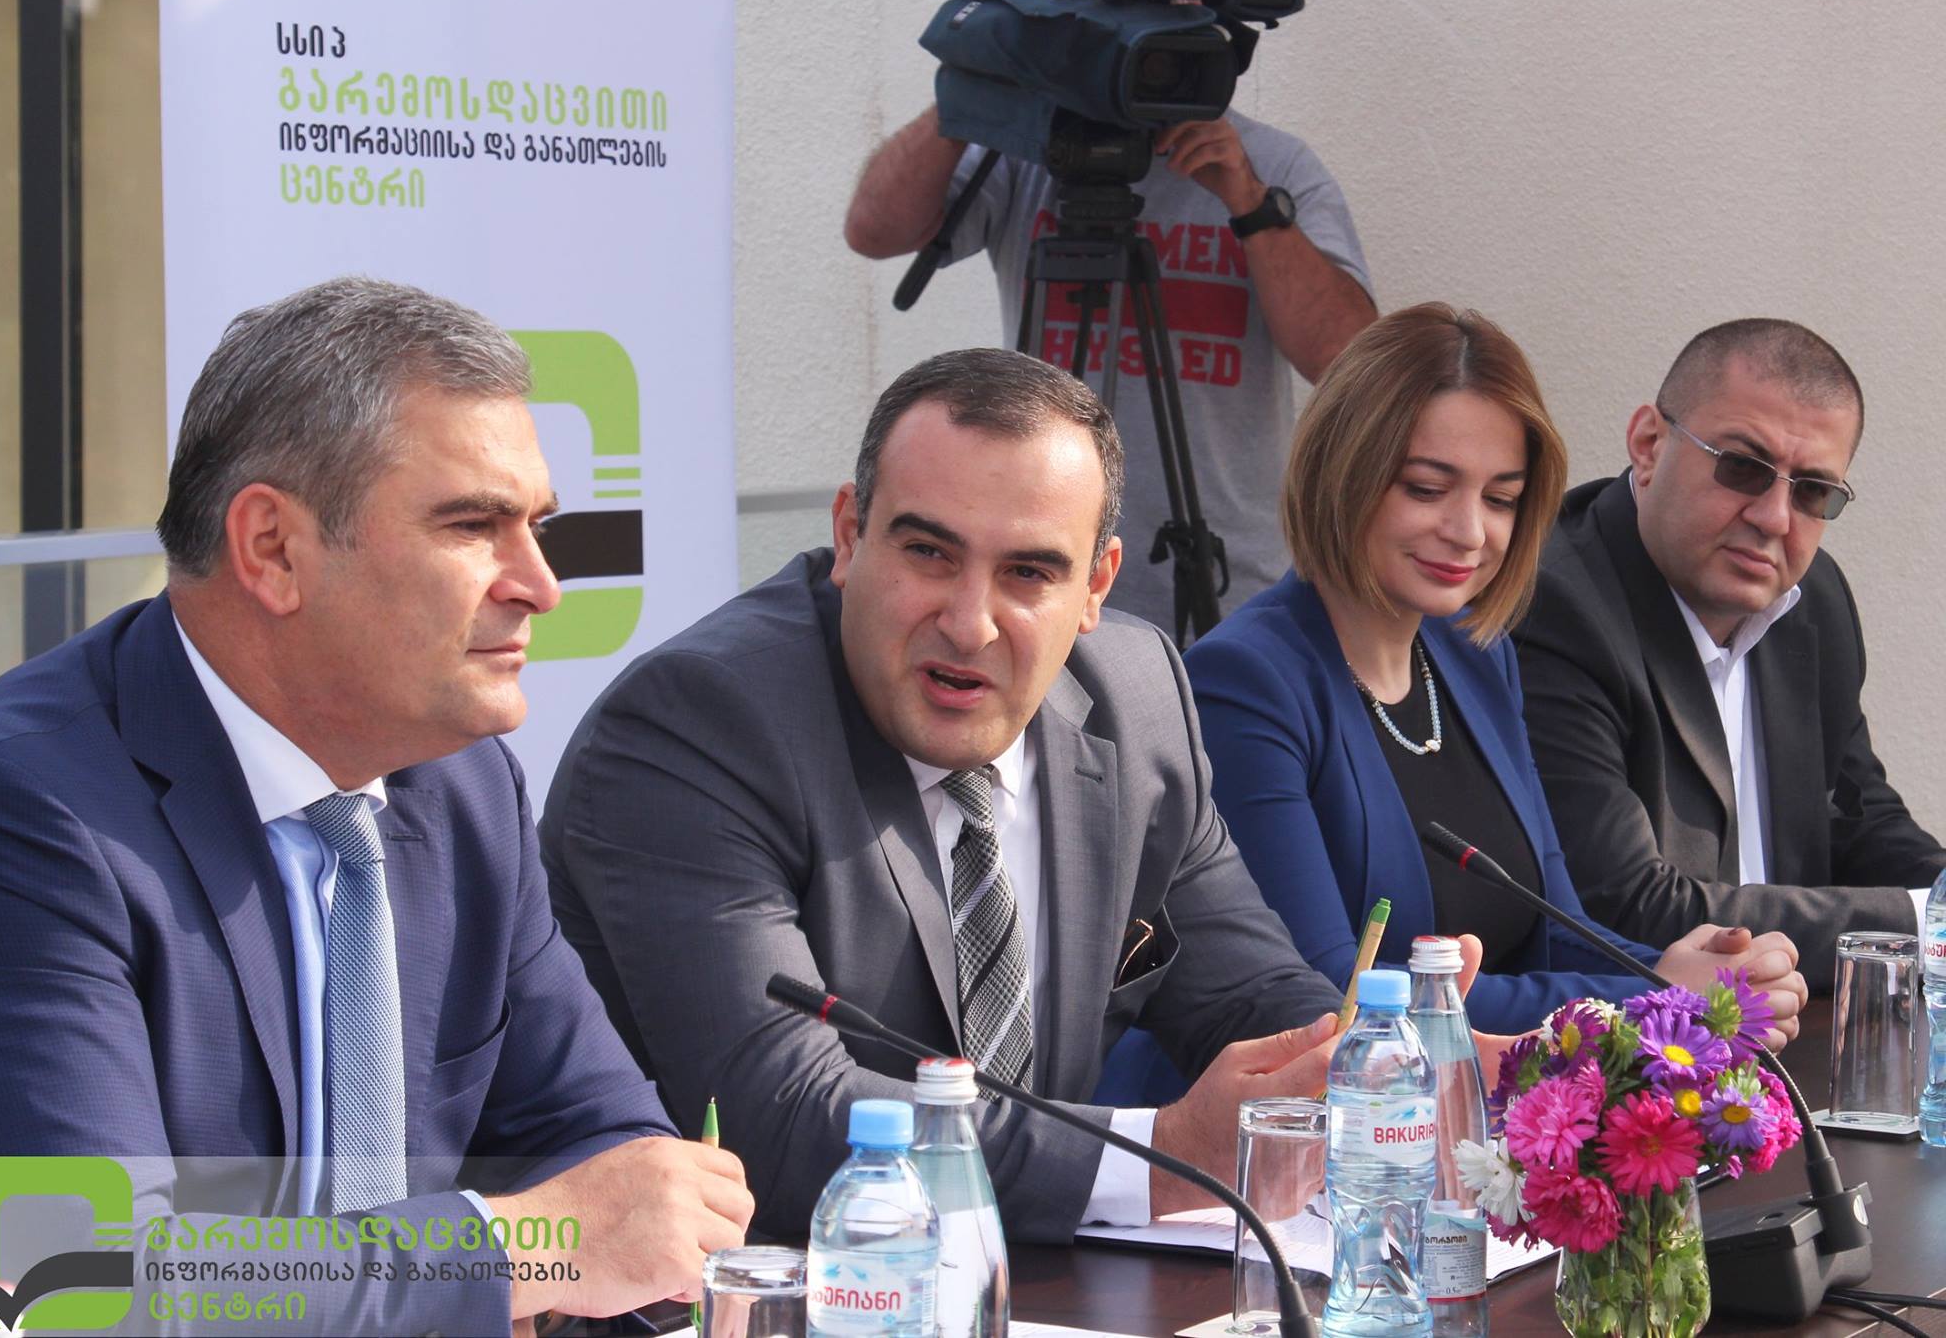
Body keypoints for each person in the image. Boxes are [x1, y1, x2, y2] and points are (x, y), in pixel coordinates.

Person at [0, 277, 752, 1334]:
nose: (540, 585)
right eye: (473, 525)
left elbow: (600, 1146)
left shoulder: (464, 783)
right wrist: (518, 1251)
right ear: (273, 549)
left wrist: (612, 1240)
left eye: (535, 525)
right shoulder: (13, 818)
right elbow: (77, 1282)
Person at [541, 347, 1501, 1244]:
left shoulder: (1137, 699)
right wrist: (1166, 1154)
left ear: (1096, 585)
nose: (970, 623)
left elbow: (1247, 991)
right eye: (928, 553)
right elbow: (779, 1116)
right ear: (849, 534)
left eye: (1029, 572)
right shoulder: (699, 725)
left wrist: (1364, 1058)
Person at [1179, 304, 1808, 1042]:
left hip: (1484, 1098)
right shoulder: (1243, 681)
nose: (1469, 531)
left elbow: (1556, 928)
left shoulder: (1476, 651)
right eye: (1426, 488)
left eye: (1501, 498)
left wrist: (1696, 971)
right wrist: (1654, 999)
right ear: (1339, 473)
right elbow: (1333, 999)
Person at [1511, 318, 1946, 990]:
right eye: (1743, 467)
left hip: (1797, 1023)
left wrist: (1939, 891)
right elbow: (1625, 907)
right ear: (1649, 445)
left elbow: (1858, 820)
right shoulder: (1554, 604)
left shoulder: (1814, 599)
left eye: (1813, 491)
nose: (1774, 517)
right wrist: (1928, 921)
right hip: (1642, 1041)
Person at [844, 105, 1376, 635]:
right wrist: (974, 91)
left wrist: (1251, 203)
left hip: (1221, 582)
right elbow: (873, 230)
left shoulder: (1269, 164)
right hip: (1034, 575)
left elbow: (1347, 359)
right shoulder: (1023, 155)